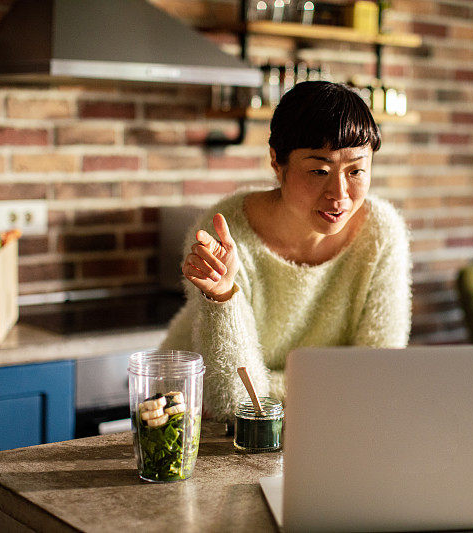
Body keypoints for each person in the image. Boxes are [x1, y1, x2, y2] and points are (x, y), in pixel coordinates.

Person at [160, 81, 411, 422]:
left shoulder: (382, 232)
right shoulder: (228, 232)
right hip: (196, 418)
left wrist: (274, 391)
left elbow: (378, 378)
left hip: (317, 426)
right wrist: (222, 296)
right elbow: (236, 403)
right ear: (277, 162)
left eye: (356, 170)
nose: (339, 194)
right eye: (319, 171)